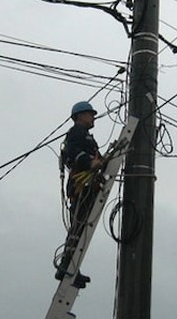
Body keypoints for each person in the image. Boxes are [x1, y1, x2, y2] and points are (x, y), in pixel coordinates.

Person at [55, 101, 103, 286]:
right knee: (79, 223)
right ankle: (67, 263)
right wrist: (90, 162)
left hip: (87, 182)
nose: (93, 117)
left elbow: (96, 157)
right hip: (80, 184)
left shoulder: (87, 136)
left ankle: (72, 265)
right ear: (80, 116)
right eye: (90, 114)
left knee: (81, 225)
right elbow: (73, 152)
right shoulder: (76, 132)